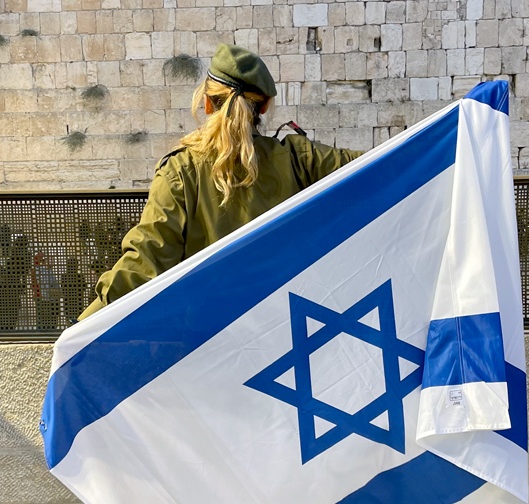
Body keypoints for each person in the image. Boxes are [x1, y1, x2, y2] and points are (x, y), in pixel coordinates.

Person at [79, 44, 364, 320]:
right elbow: (382, 165)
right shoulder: (301, 160)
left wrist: (79, 333)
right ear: (263, 106)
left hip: (208, 341)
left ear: (206, 102)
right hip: (285, 330)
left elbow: (143, 265)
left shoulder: (179, 174)